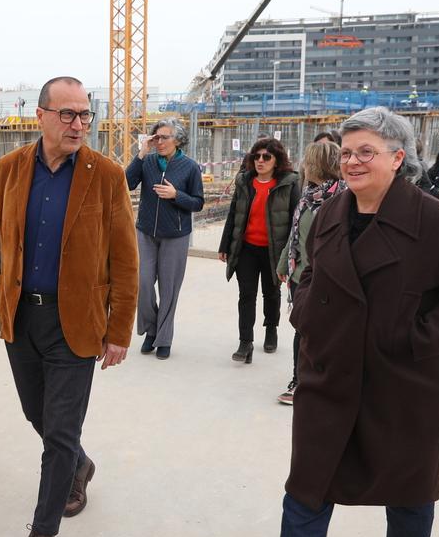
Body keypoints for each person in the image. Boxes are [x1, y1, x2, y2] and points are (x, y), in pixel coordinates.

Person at [280, 107, 439, 537]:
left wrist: (420, 339)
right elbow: (311, 273)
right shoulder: (331, 213)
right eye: (347, 153)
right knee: (306, 490)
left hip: (405, 383)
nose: (353, 162)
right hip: (330, 376)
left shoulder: (437, 222)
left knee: (408, 490)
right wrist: (306, 314)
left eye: (367, 152)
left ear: (398, 158)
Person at [0, 76, 137, 537]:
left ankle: (43, 533)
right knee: (39, 414)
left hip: (76, 323)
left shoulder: (106, 175)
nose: (79, 124)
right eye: (68, 114)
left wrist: (120, 329)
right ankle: (79, 464)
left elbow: (125, 259)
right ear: (41, 115)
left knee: (57, 431)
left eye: (85, 115)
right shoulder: (10, 170)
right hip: (21, 318)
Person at [126, 118, 205, 359]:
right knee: (143, 284)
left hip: (176, 236)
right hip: (146, 232)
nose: (159, 142)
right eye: (156, 137)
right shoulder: (148, 162)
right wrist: (141, 153)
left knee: (169, 289)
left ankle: (163, 338)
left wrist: (176, 195)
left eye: (164, 137)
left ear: (178, 140)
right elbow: (127, 183)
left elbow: (198, 203)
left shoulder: (190, 167)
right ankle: (150, 329)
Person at [274, 141, 345, 405]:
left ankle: (324, 382)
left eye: (308, 160)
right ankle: (300, 381)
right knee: (302, 328)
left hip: (327, 279)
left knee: (326, 332)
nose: (303, 164)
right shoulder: (309, 195)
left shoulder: (342, 198)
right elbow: (295, 234)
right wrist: (284, 264)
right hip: (300, 277)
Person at [218, 137, 300, 364]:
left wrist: (292, 253)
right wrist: (225, 245)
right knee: (246, 295)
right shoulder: (245, 181)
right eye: (256, 156)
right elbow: (234, 214)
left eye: (266, 157)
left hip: (275, 249)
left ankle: (271, 329)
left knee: (271, 293)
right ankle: (245, 343)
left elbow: (296, 218)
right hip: (247, 249)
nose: (260, 161)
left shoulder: (289, 183)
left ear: (277, 160)